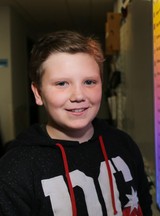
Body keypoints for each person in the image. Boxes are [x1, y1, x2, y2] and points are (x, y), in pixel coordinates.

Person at [0, 30, 152, 216]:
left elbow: (144, 204)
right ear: (38, 93)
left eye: (89, 82)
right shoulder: (15, 169)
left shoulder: (123, 144)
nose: (79, 96)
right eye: (62, 83)